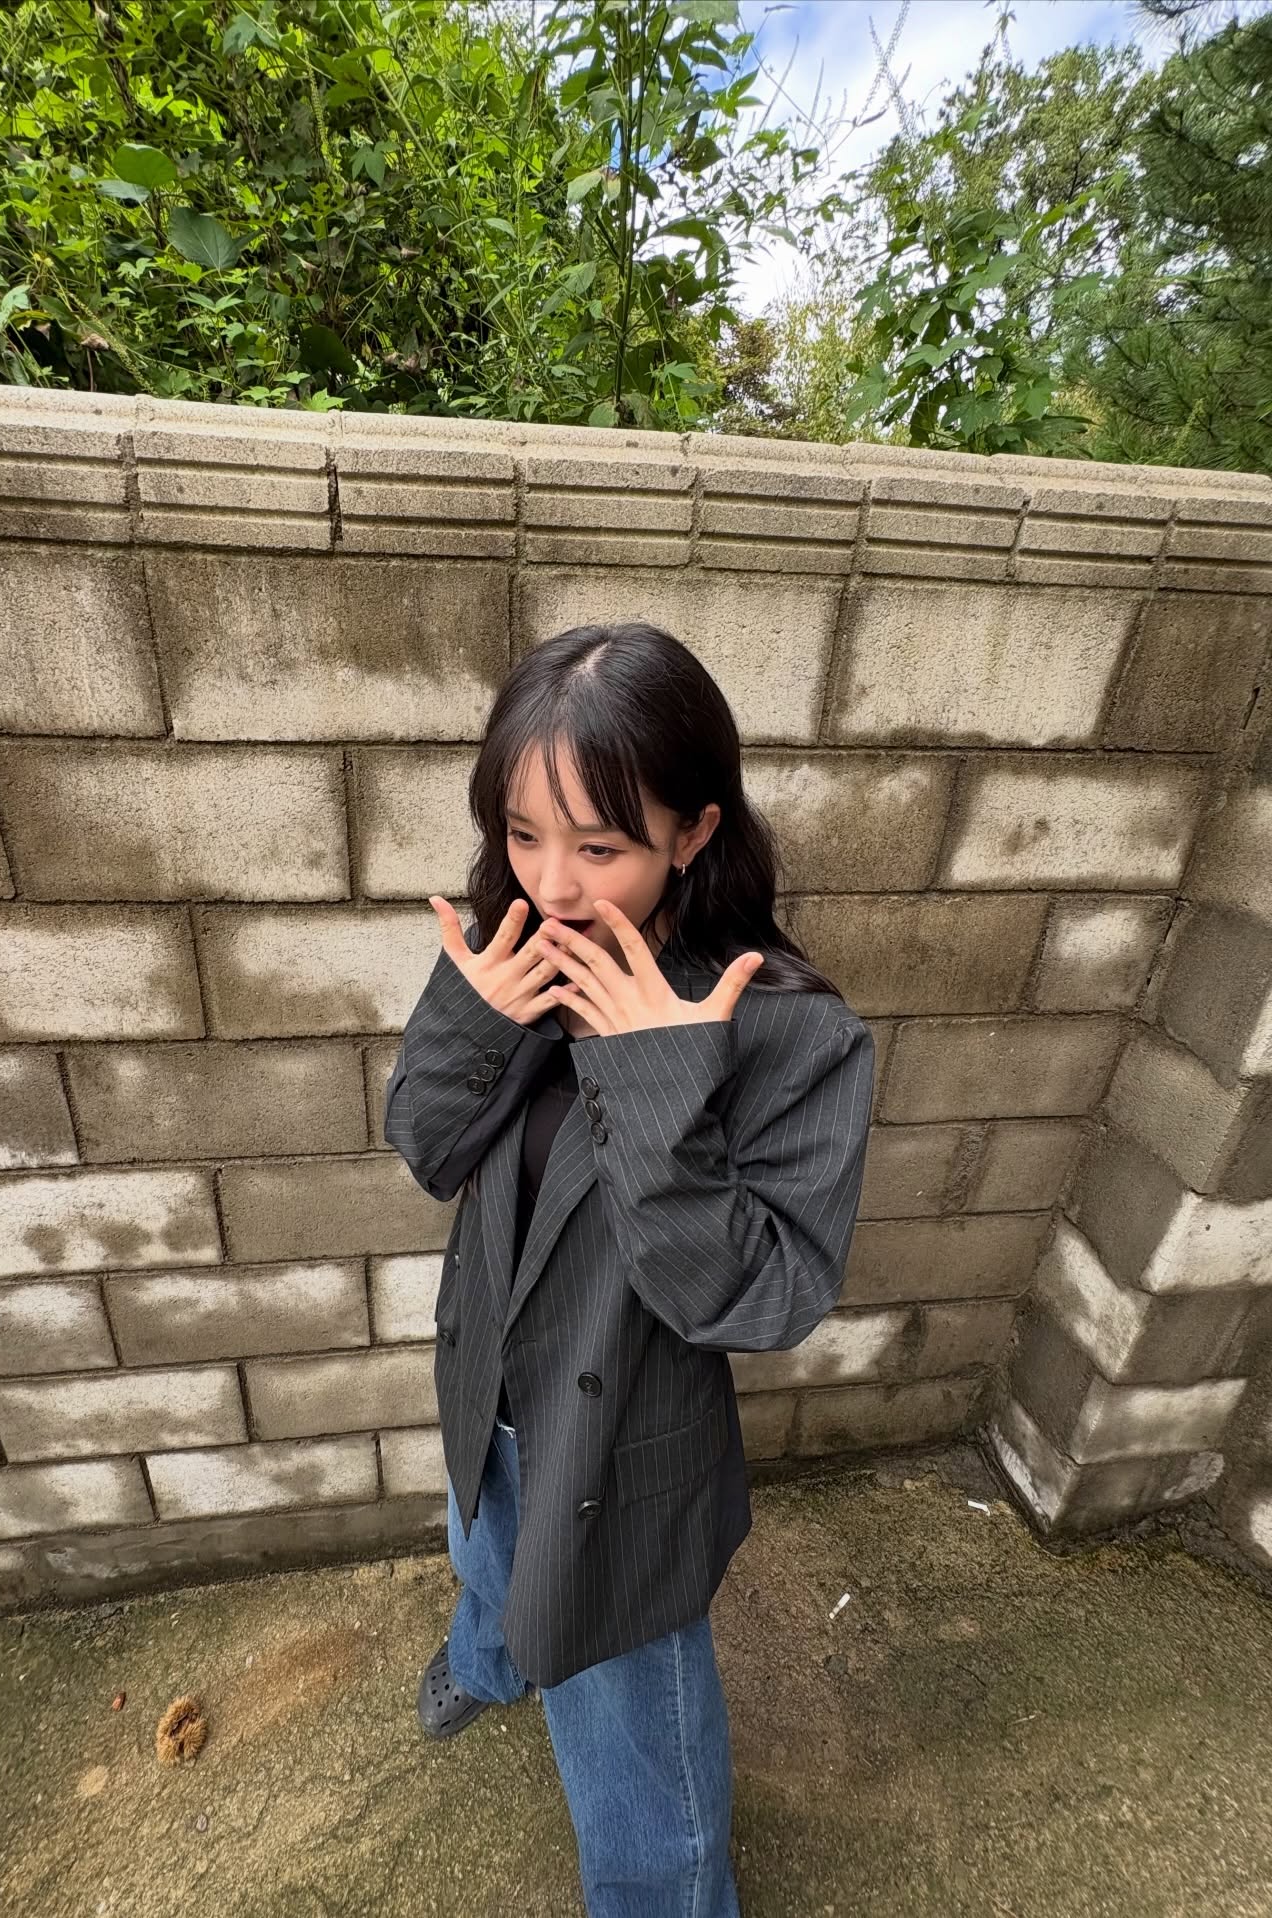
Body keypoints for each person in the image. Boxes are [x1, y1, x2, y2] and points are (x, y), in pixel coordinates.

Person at [383, 621, 876, 1916]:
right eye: (521, 834)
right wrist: (472, 1020)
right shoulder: (515, 953)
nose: (551, 881)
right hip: (486, 1386)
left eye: (599, 847)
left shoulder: (790, 1032)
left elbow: (768, 1296)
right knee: (483, 1546)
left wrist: (660, 1083)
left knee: (642, 1770)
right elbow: (429, 1151)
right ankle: (490, 1663)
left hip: (619, 1451)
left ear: (694, 832)